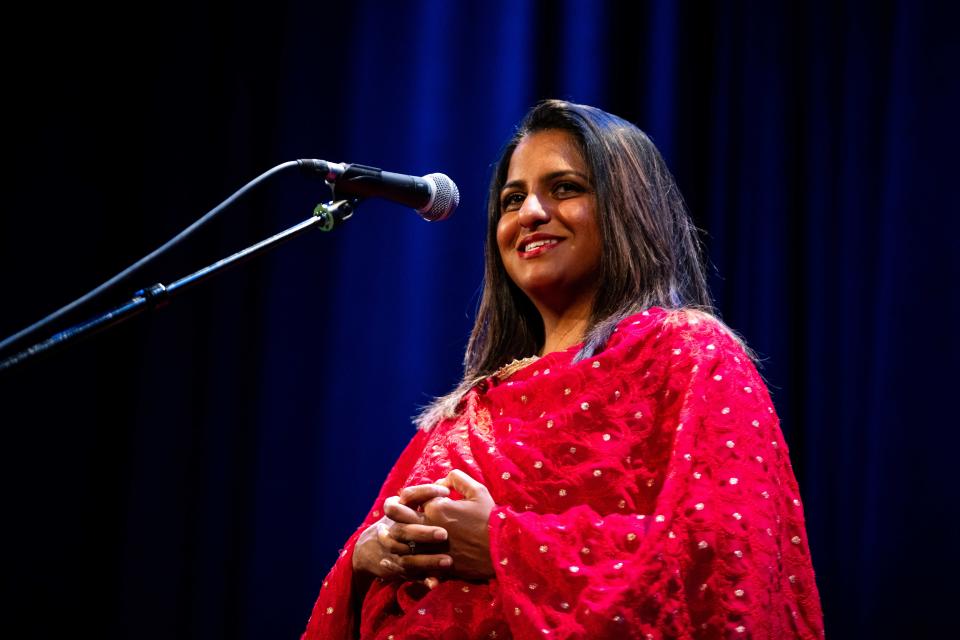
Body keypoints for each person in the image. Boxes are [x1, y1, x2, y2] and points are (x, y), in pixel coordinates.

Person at [302, 100, 824, 639]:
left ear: (628, 207)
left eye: (566, 188)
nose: (529, 213)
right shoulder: (471, 409)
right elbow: (372, 560)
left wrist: (504, 544)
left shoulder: (689, 354)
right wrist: (367, 558)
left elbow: (724, 559)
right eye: (512, 199)